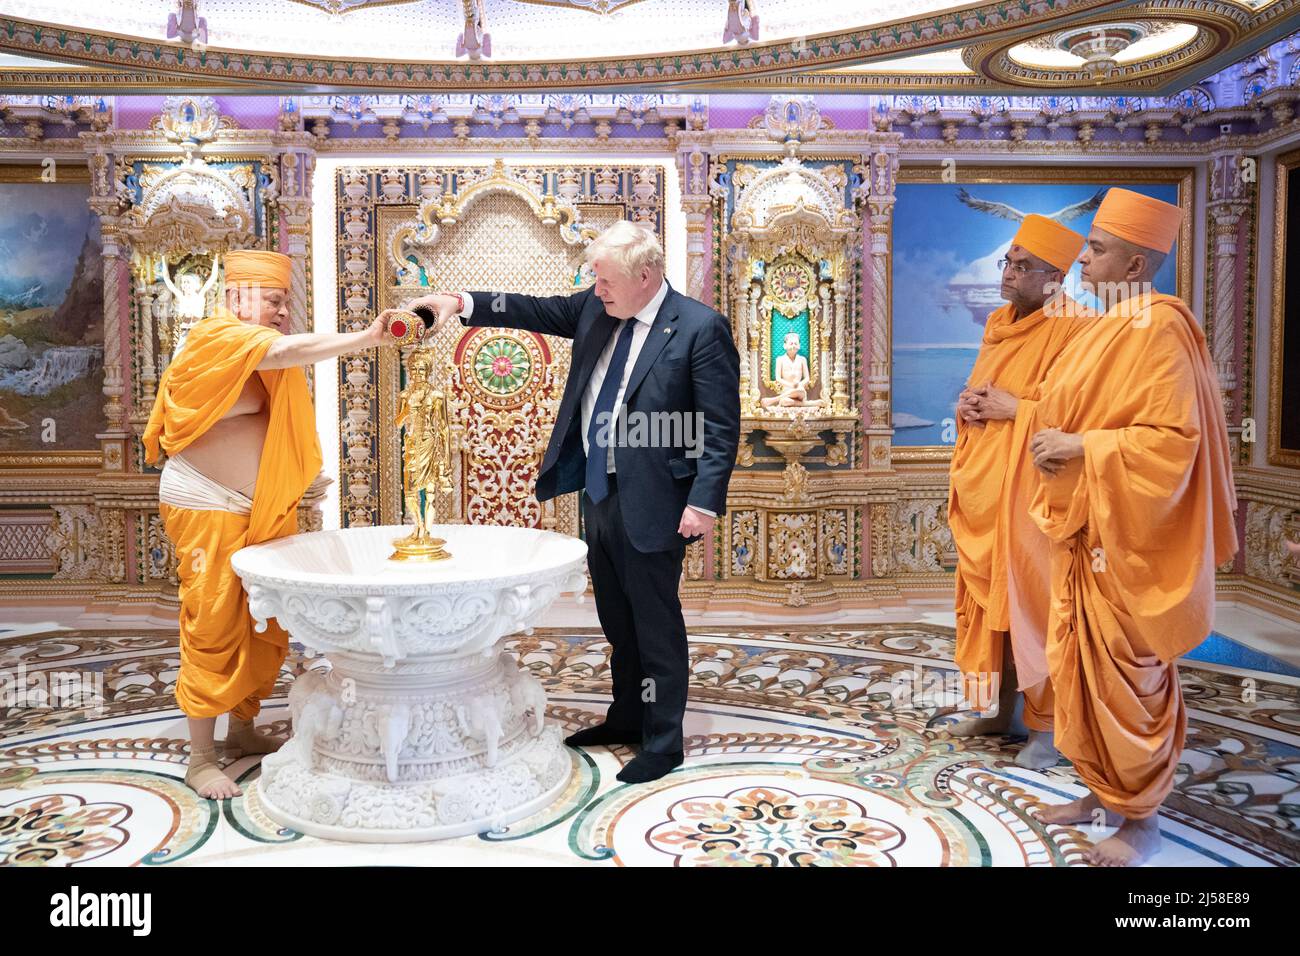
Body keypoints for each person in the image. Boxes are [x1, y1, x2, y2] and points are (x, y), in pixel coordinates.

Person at [406, 220, 741, 783]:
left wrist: (704, 502)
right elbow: (533, 310)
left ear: (646, 275)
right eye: (594, 279)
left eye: (605, 279)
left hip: (658, 499)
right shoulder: (595, 308)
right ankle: (627, 716)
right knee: (617, 618)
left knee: (654, 623)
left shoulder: (699, 329)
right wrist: (459, 302)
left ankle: (662, 741)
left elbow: (719, 425)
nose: (597, 288)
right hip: (600, 491)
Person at [1026, 189, 1238, 865]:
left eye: (1097, 248)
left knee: (1129, 673)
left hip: (1129, 537)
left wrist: (1083, 448)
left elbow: (1175, 441)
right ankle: (1098, 790)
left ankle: (1139, 820)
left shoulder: (1160, 326)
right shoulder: (1109, 325)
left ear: (1135, 263)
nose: (1082, 259)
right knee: (1081, 666)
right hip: (1088, 526)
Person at [144, 249, 394, 799]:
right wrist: (366, 337)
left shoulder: (259, 354)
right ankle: (201, 758)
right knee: (212, 623)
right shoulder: (213, 339)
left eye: (286, 303)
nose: (284, 313)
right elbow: (284, 350)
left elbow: (279, 356)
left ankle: (242, 730)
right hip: (205, 502)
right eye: (275, 301)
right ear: (237, 298)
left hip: (258, 509)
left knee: (263, 621)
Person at [947, 214, 1093, 770]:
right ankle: (995, 708)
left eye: (1022, 265)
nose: (1008, 273)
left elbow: (1086, 420)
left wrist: (1020, 411)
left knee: (1035, 604)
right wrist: (967, 406)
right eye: (1007, 261)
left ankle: (1048, 725)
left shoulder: (1080, 328)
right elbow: (986, 390)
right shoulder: (999, 323)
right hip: (988, 487)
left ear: (1055, 277)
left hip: (1036, 495)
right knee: (985, 604)